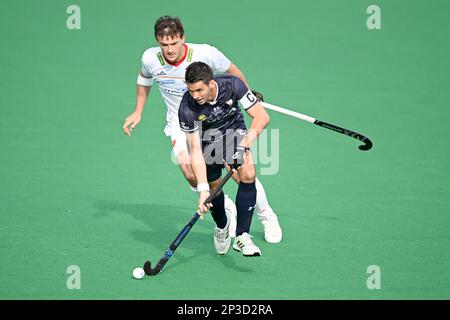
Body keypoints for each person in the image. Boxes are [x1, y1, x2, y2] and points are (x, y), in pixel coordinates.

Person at [122, 16, 282, 243]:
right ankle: (223, 206)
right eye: (163, 44)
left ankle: (266, 215)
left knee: (240, 171)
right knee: (193, 177)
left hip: (215, 121)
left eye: (174, 43)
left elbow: (233, 72)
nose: (169, 50)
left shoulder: (205, 54)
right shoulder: (150, 58)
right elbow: (144, 78)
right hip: (181, 123)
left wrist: (248, 97)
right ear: (157, 42)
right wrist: (138, 111)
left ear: (182, 38)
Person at [179, 62, 268, 256]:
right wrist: (201, 190)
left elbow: (261, 117)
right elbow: (194, 150)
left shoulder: (232, 85)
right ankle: (222, 226)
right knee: (213, 187)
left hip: (233, 131)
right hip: (206, 141)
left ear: (211, 83)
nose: (195, 96)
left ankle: (242, 236)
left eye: (199, 90)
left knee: (248, 173)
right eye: (191, 90)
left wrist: (243, 145)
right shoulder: (187, 108)